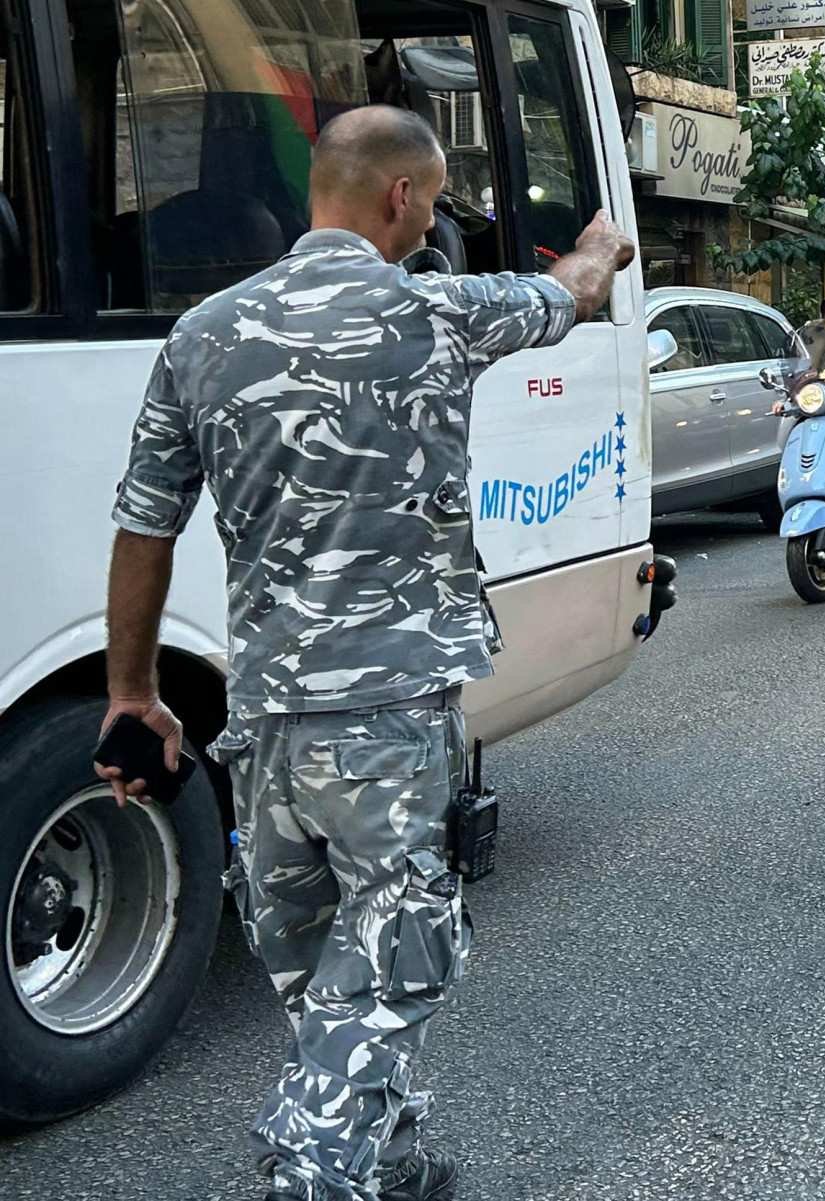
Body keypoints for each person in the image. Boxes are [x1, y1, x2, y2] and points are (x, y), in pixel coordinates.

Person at [94, 105, 633, 1201]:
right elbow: (575, 293)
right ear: (400, 196)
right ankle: (318, 1166)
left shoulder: (202, 333)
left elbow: (144, 525)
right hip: (388, 716)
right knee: (393, 959)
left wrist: (133, 692)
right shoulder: (436, 310)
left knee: (318, 968)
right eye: (431, 204)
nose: (430, 224)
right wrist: (602, 244)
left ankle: (388, 1159)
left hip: (263, 719)